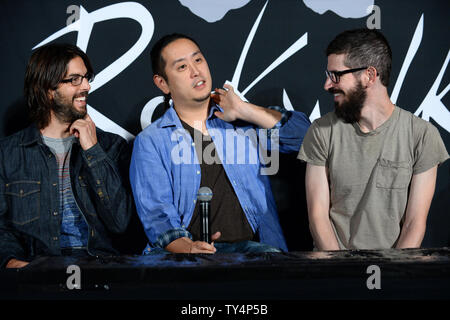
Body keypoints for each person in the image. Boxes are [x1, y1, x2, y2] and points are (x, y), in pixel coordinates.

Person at [130, 33, 310, 254]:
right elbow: (157, 215)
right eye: (182, 67)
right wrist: (188, 247)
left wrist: (246, 109)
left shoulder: (242, 123)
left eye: (198, 60)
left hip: (257, 254)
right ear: (162, 83)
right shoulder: (152, 141)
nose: (196, 71)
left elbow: (308, 139)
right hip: (188, 261)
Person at [298, 29, 449, 250]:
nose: (327, 85)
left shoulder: (422, 135)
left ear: (369, 75)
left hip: (394, 272)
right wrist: (340, 271)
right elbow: (318, 217)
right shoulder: (322, 131)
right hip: (334, 270)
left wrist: (393, 274)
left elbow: (414, 224)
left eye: (335, 75)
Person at [0, 43, 135, 268]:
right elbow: (2, 227)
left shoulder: (111, 147)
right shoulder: (8, 154)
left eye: (86, 77)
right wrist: (14, 262)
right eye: (74, 79)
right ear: (48, 90)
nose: (86, 86)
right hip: (37, 270)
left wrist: (93, 151)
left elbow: (120, 223)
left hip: (99, 267)